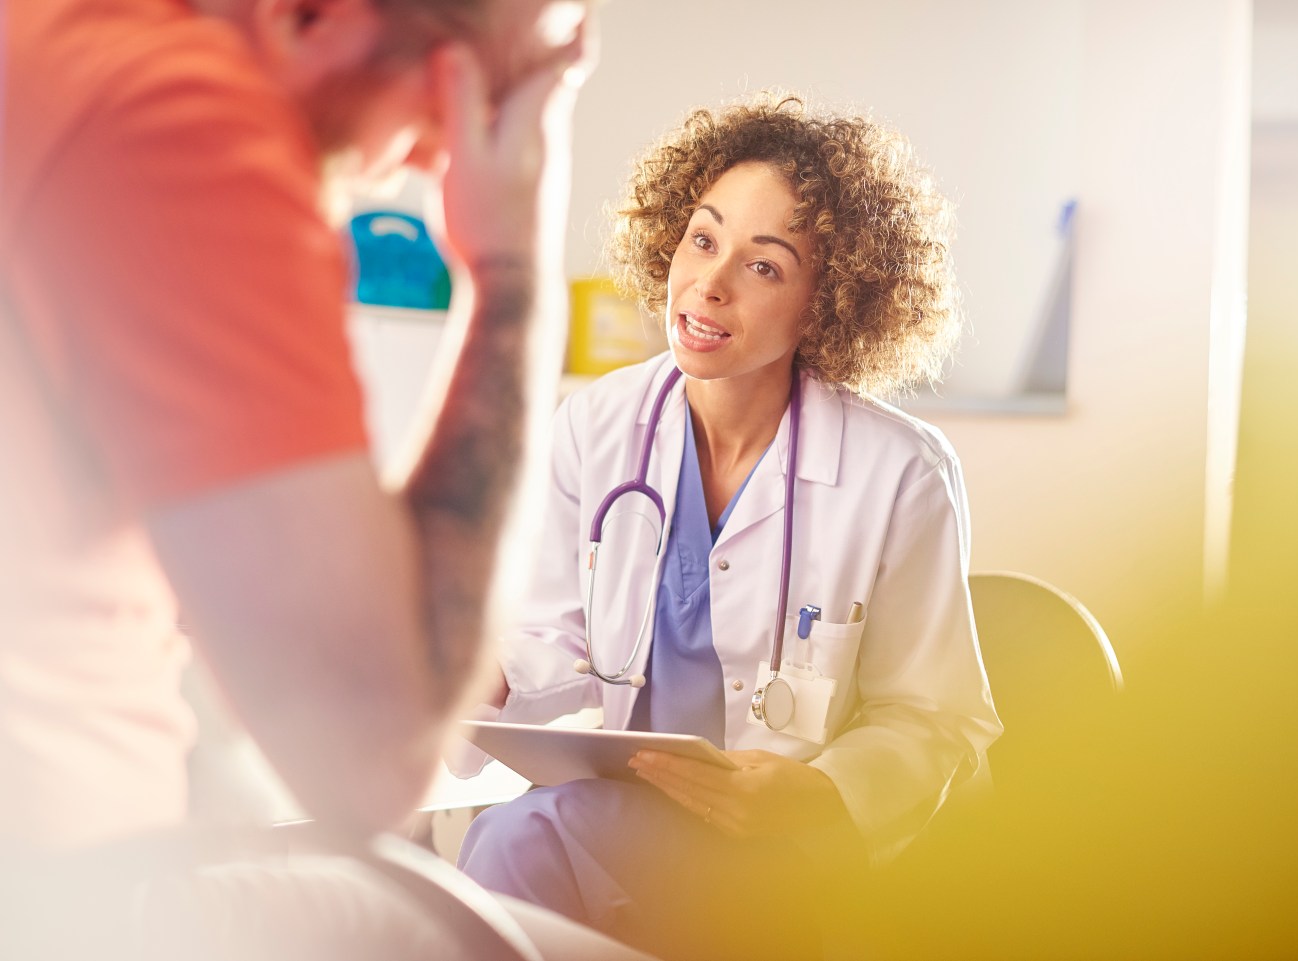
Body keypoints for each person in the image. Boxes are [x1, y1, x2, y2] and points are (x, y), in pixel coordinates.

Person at [0, 0, 649, 958]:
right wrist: (512, 267)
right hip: (75, 903)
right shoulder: (177, 122)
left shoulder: (54, 48)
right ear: (317, 18)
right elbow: (373, 766)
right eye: (455, 110)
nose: (433, 168)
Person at [448, 93, 1003, 960]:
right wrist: (484, 680)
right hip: (616, 830)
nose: (709, 283)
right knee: (518, 837)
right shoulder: (597, 426)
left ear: (828, 302)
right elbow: (550, 646)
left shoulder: (900, 473)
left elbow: (938, 722)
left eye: (766, 266)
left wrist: (818, 796)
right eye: (703, 239)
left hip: (788, 856)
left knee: (517, 842)